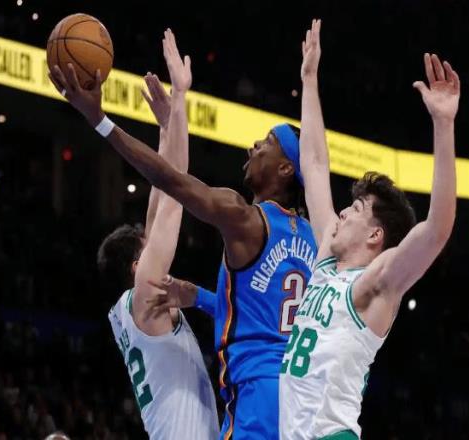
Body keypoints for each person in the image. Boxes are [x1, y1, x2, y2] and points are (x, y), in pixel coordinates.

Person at [49, 29, 317, 439]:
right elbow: (168, 197)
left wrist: (157, 120)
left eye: (266, 143)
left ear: (286, 168)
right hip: (302, 402)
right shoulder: (315, 237)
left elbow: (167, 192)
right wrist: (172, 112)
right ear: (138, 265)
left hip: (255, 399)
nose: (253, 146)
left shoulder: (245, 221)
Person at [279, 20, 460, 440]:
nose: (341, 213)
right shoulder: (327, 262)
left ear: (375, 236)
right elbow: (314, 166)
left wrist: (443, 125)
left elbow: (436, 229)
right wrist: (309, 80)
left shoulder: (373, 284)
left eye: (355, 209)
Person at [96, 30, 219, 439]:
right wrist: (180, 97)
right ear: (137, 266)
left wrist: (167, 130)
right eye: (147, 250)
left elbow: (161, 194)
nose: (156, 246)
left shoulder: (132, 309)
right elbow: (176, 193)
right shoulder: (146, 295)